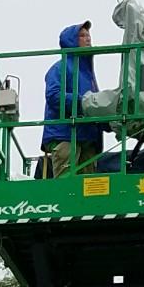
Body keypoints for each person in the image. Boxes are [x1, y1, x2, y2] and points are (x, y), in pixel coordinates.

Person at [41, 22, 103, 178]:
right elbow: (54, 96)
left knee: (89, 189)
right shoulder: (60, 67)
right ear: (71, 41)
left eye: (88, 35)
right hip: (65, 135)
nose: (87, 38)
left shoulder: (88, 74)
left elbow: (94, 105)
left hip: (87, 137)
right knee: (66, 186)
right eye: (82, 35)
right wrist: (82, 102)